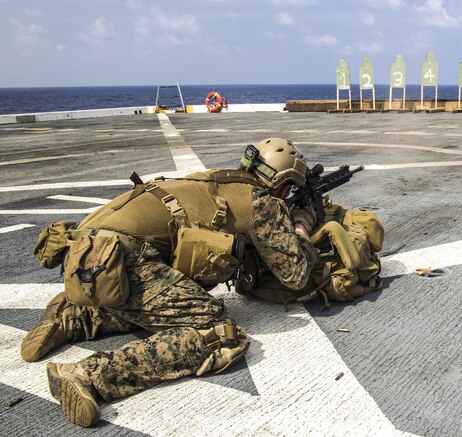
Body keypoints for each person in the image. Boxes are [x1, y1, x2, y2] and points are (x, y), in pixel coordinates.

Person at [22, 138, 318, 427]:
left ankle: (70, 317)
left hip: (85, 256)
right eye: (291, 188)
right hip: (119, 260)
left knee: (160, 303)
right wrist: (302, 225)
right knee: (220, 335)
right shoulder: (263, 202)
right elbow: (294, 274)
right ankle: (86, 375)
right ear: (284, 184)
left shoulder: (214, 180)